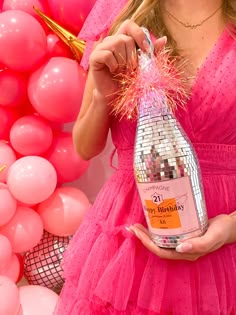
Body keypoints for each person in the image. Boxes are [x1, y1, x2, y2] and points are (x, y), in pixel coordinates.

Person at [55, 0, 236, 314]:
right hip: (129, 249)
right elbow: (85, 146)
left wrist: (232, 228)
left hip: (227, 248)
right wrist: (102, 95)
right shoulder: (122, 12)